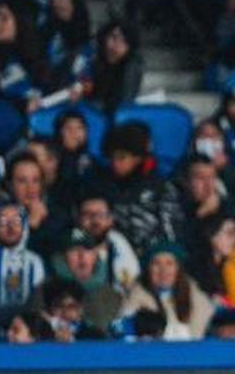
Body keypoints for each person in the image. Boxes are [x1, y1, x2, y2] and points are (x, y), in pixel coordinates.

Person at [90, 123, 185, 255]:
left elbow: (171, 233)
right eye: (112, 158)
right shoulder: (101, 186)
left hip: (152, 257)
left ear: (138, 158)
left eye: (122, 158)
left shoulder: (161, 188)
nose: (115, 163)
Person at [7, 0, 91, 90]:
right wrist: (56, 18)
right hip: (27, 76)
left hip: (63, 77)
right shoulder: (19, 0)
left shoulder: (75, 2)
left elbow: (82, 44)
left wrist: (69, 21)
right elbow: (29, 50)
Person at [122, 241, 215, 340]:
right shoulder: (136, 300)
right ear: (148, 269)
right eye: (156, 263)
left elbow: (200, 334)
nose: (163, 270)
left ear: (178, 269)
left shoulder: (196, 299)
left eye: (169, 263)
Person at [85, 21, 143, 113]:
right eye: (114, 37)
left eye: (123, 41)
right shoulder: (92, 57)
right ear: (105, 37)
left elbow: (126, 101)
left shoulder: (132, 66)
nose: (117, 44)